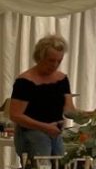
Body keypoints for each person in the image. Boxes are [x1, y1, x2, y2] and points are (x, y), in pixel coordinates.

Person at [8, 34, 84, 162]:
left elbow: (69, 111)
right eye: (51, 60)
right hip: (32, 135)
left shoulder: (62, 79)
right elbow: (15, 115)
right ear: (40, 57)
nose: (55, 65)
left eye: (59, 61)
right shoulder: (25, 81)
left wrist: (92, 113)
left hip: (55, 134)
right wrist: (44, 127)